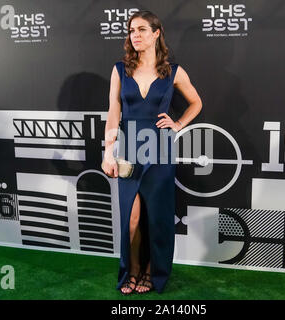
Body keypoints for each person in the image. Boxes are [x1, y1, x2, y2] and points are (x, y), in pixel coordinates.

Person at [101, 10, 202, 295]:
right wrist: (108, 152)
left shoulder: (174, 71)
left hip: (160, 149)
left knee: (157, 217)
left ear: (157, 33)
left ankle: (151, 272)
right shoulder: (120, 70)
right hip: (129, 149)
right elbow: (113, 112)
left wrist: (178, 123)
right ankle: (132, 269)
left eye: (142, 29)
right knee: (131, 219)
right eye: (132, 30)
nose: (135, 35)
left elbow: (196, 102)